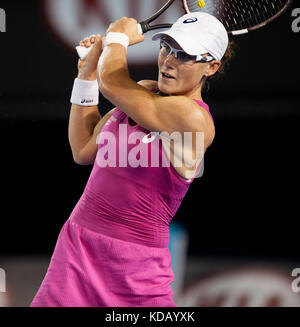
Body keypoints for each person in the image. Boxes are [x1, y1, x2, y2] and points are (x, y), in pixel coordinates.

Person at [30, 12, 234, 307]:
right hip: (77, 250)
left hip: (135, 270)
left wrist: (117, 36)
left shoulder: (195, 119)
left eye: (185, 56)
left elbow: (111, 80)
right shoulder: (143, 92)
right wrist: (86, 75)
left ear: (211, 67)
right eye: (167, 47)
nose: (169, 61)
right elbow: (83, 148)